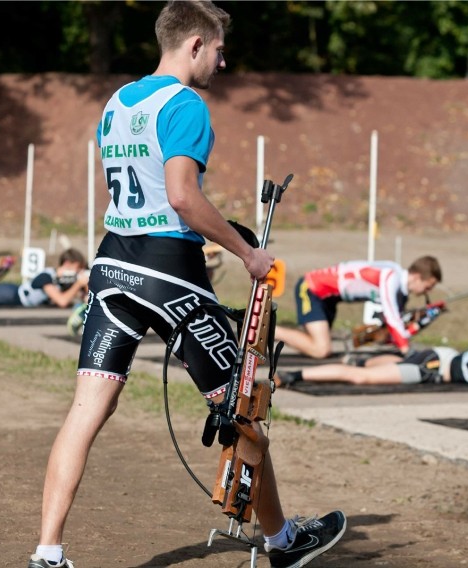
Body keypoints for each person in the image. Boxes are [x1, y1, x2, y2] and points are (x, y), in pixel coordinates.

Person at [27, 3, 345, 568]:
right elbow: (180, 197)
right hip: (168, 272)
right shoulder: (186, 105)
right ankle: (283, 543)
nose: (223, 62)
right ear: (195, 44)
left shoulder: (118, 102)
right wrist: (246, 251)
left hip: (113, 265)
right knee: (241, 408)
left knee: (86, 409)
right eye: (219, 50)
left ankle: (47, 552)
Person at [276, 296, 468, 389]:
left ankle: (359, 359)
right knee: (362, 378)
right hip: (435, 367)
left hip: (440, 359)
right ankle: (296, 375)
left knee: (384, 365)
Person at [273, 256, 442, 359]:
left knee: (318, 347)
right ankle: (268, 329)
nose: (427, 292)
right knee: (320, 349)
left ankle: (269, 331)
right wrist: (406, 350)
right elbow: (392, 317)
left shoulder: (397, 279)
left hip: (329, 299)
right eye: (428, 286)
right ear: (418, 277)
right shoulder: (392, 277)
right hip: (312, 289)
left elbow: (392, 325)